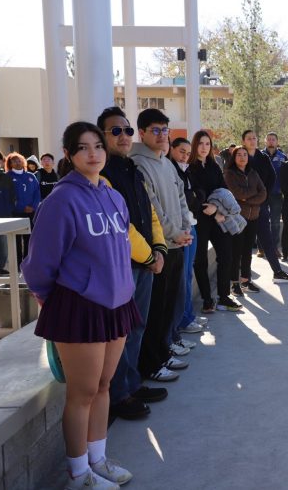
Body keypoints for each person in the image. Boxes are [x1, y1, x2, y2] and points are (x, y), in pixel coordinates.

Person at [22, 121, 137, 489]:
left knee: (103, 386)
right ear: (69, 154)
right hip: (79, 306)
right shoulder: (60, 200)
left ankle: (97, 460)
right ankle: (78, 474)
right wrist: (49, 299)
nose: (93, 153)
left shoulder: (114, 197)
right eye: (83, 147)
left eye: (98, 146)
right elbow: (39, 264)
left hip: (116, 304)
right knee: (82, 392)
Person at [97, 106, 170, 420]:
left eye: (127, 130)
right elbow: (120, 225)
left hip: (144, 262)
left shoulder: (131, 169)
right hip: (122, 265)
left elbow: (149, 212)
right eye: (115, 131)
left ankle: (131, 383)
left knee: (137, 327)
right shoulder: (102, 175)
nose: (124, 136)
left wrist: (159, 247)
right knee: (121, 333)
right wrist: (150, 256)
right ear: (101, 136)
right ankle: (118, 395)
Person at [129, 108, 193, 382]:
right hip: (160, 248)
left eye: (164, 130)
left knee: (168, 306)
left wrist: (185, 227)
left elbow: (180, 196)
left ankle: (163, 352)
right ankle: (150, 363)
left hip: (178, 243)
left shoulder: (166, 162)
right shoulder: (138, 164)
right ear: (142, 132)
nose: (161, 135)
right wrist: (173, 233)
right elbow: (152, 206)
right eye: (155, 130)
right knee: (155, 310)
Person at [188, 130, 243, 311]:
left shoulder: (214, 166)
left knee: (226, 256)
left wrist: (218, 211)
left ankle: (224, 297)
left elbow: (223, 190)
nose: (204, 147)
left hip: (218, 218)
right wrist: (212, 211)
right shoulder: (189, 168)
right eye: (200, 143)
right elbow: (193, 196)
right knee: (201, 260)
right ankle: (207, 299)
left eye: (207, 144)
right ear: (194, 145)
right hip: (199, 219)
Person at [241, 129, 288, 283]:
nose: (252, 140)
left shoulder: (263, 157)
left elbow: (272, 177)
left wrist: (262, 196)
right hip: (244, 207)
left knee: (267, 239)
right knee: (245, 244)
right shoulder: (240, 155)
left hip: (261, 204)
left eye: (254, 138)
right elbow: (233, 179)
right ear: (243, 141)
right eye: (249, 138)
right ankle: (243, 279)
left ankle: (278, 272)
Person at [167, 137, 208, 334]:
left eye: (187, 152)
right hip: (180, 229)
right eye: (181, 151)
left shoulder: (186, 170)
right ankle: (183, 319)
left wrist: (195, 196)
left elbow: (199, 194)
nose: (185, 156)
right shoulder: (170, 170)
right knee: (182, 276)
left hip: (192, 225)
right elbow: (186, 198)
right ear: (172, 149)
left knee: (188, 273)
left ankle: (188, 314)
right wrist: (194, 196)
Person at [224, 145, 267, 296]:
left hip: (253, 217)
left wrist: (248, 199)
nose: (242, 157)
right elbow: (237, 193)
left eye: (245, 155)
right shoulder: (229, 174)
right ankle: (234, 283)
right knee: (236, 251)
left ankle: (245, 280)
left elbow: (263, 192)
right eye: (239, 155)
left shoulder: (253, 173)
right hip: (238, 218)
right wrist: (253, 194)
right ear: (234, 157)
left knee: (248, 251)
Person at [6, 152, 41, 267]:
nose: (17, 162)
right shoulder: (8, 176)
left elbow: (37, 193)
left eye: (19, 160)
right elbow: (8, 196)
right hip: (16, 213)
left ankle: (27, 263)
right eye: (14, 161)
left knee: (29, 239)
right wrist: (21, 207)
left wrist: (33, 207)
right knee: (16, 240)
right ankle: (17, 264)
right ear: (10, 163)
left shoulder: (31, 176)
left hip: (31, 213)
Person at [262, 132, 288, 255]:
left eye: (273, 139)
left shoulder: (283, 157)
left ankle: (274, 248)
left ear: (277, 142)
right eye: (269, 139)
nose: (271, 141)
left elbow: (287, 176)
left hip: (277, 194)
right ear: (265, 141)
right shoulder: (259, 155)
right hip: (261, 194)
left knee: (275, 222)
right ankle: (262, 248)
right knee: (262, 221)